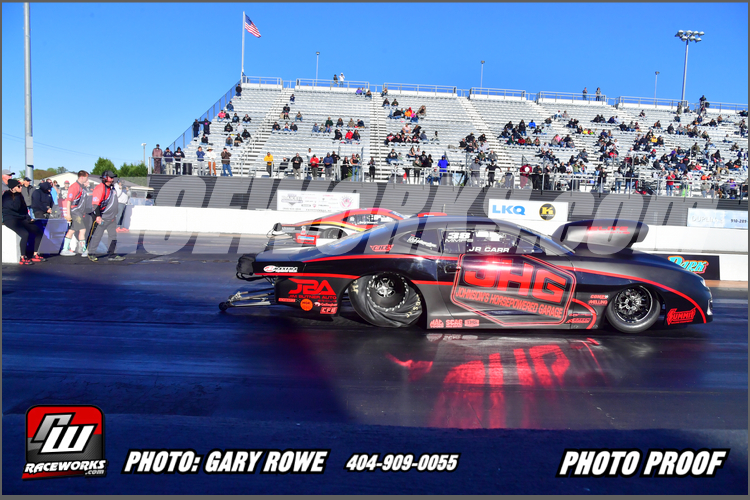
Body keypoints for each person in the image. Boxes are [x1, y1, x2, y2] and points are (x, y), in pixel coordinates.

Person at [3, 179, 45, 264]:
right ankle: (22, 257)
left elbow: (24, 209)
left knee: (39, 232)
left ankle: (35, 254)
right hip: (10, 219)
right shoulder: (6, 196)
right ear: (13, 188)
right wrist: (17, 195)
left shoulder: (19, 195)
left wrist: (28, 218)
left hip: (21, 218)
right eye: (19, 186)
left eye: (21, 186)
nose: (21, 188)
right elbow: (15, 207)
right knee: (25, 234)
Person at [85, 170, 124, 262]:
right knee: (97, 236)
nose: (113, 179)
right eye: (111, 177)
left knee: (113, 236)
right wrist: (98, 216)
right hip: (102, 217)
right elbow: (95, 204)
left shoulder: (112, 188)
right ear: (105, 178)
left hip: (111, 218)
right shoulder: (100, 188)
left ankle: (112, 254)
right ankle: (91, 253)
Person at [60, 170, 92, 257]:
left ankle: (64, 249)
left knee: (72, 230)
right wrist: (68, 214)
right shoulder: (74, 187)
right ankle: (84, 250)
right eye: (86, 177)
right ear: (82, 177)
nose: (87, 179)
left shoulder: (82, 187)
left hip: (80, 212)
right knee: (82, 230)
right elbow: (69, 201)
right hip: (75, 212)